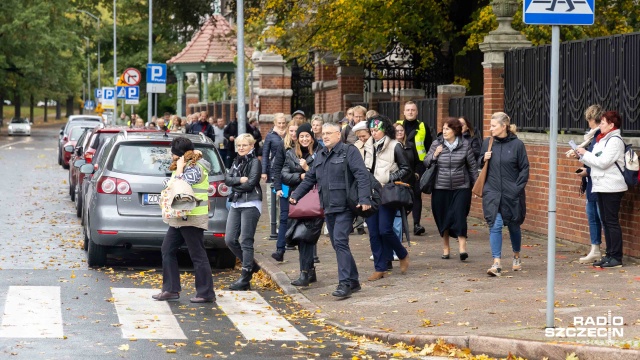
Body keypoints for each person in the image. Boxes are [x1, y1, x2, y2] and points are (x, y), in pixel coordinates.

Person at [289, 122, 372, 299]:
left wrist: (365, 198)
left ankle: (344, 284)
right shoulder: (320, 154)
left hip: (345, 205)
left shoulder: (349, 151)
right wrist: (296, 194)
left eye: (329, 133)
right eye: (323, 134)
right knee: (337, 244)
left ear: (338, 135)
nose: (324, 136)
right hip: (328, 207)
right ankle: (354, 280)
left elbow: (362, 175)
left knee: (340, 241)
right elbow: (310, 178)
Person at [153, 137, 216, 303]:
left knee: (197, 254)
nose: (171, 156)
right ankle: (171, 289)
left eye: (173, 153)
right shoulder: (185, 164)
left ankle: (206, 293)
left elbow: (184, 183)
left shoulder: (196, 166)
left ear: (179, 154)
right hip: (180, 215)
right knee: (167, 249)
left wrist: (180, 169)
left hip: (193, 215)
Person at [360, 115, 411, 281]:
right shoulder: (368, 147)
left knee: (385, 229)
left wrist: (389, 178)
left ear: (385, 130)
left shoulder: (395, 146)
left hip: (387, 192)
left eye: (377, 130)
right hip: (371, 193)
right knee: (373, 232)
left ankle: (402, 254)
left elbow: (406, 169)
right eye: (372, 130)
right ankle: (380, 267)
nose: (374, 133)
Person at [576, 111, 627, 268]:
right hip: (601, 185)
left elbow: (603, 162)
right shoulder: (602, 139)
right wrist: (582, 155)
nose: (600, 125)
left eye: (603, 123)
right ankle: (609, 254)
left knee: (611, 222)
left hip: (612, 186)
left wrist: (586, 154)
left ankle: (616, 257)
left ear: (612, 125)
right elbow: (595, 160)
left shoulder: (615, 141)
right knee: (605, 220)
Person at [480, 112, 529, 276]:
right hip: (492, 192)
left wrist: (517, 188)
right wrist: (483, 158)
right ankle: (496, 263)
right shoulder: (488, 143)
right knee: (495, 224)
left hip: (511, 193)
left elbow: (524, 168)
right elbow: (479, 165)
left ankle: (516, 255)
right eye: (491, 125)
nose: (491, 128)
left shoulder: (517, 145)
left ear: (504, 126)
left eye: (494, 126)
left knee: (514, 226)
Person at [425, 117, 478, 261]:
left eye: (447, 128)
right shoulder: (437, 143)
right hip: (440, 187)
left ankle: (462, 249)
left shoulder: (465, 145)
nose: (444, 131)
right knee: (443, 218)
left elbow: (472, 168)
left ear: (455, 130)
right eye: (443, 128)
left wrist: (476, 187)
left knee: (460, 215)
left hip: (461, 186)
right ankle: (446, 248)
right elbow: (426, 161)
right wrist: (435, 154)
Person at [281, 123, 321, 286]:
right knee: (300, 236)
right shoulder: (290, 153)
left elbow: (323, 173)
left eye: (307, 136)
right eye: (301, 136)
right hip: (296, 200)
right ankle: (309, 271)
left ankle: (305, 273)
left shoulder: (320, 152)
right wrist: (301, 177)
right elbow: (284, 174)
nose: (304, 139)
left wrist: (308, 168)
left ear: (312, 137)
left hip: (314, 199)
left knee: (306, 237)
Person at [224, 133, 263, 290]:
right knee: (229, 239)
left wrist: (235, 185)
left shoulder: (255, 162)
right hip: (236, 202)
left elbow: (252, 183)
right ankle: (251, 265)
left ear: (251, 146)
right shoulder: (235, 161)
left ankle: (245, 277)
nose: (241, 148)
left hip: (251, 203)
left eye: (244, 145)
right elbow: (227, 179)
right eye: (239, 145)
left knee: (246, 240)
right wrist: (239, 180)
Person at [567, 105, 604, 263]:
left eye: (589, 119)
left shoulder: (599, 137)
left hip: (599, 182)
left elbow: (599, 159)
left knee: (601, 217)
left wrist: (587, 170)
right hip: (590, 183)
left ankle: (607, 250)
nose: (588, 123)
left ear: (592, 119)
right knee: (592, 216)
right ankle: (595, 248)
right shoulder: (591, 137)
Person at [397, 101, 432, 236]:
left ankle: (416, 224)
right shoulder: (398, 125)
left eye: (413, 110)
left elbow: (428, 146)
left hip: (418, 165)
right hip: (402, 164)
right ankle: (402, 223)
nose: (410, 112)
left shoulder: (423, 126)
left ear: (417, 112)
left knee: (417, 193)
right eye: (408, 110)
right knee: (402, 193)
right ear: (404, 112)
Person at [271, 119, 303, 261]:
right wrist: (277, 187)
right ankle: (280, 249)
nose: (294, 133)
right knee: (284, 217)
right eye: (291, 130)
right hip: (286, 186)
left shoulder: (305, 145)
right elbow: (277, 167)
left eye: (296, 131)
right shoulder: (283, 146)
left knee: (302, 217)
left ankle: (307, 252)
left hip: (302, 187)